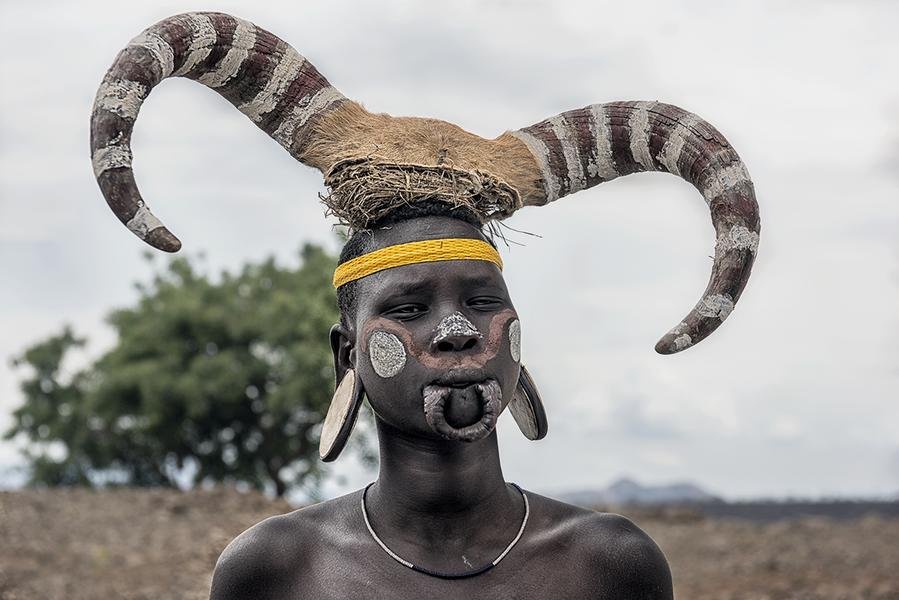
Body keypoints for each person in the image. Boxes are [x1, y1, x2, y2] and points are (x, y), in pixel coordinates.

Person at [89, 12, 759, 598]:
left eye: (481, 298)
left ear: (516, 335)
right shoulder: (274, 573)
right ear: (345, 352)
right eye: (408, 308)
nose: (459, 329)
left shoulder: (610, 568)